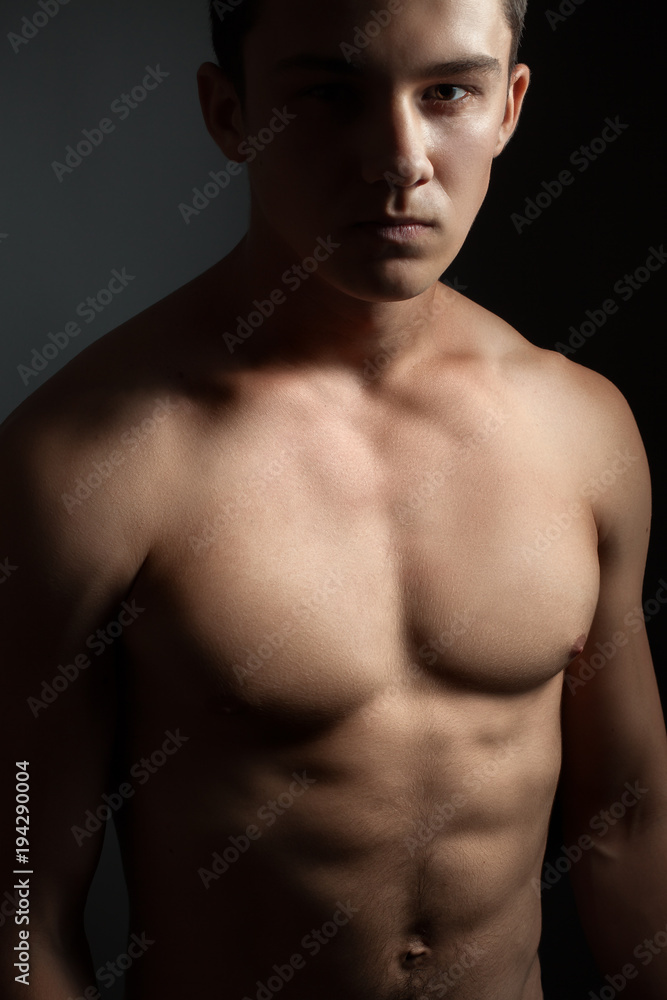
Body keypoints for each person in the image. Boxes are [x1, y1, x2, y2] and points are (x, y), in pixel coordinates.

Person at [1, 1, 666, 997]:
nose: (399, 160)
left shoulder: (584, 432)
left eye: (447, 92)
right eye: (327, 95)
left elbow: (624, 825)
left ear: (510, 106)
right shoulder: (82, 463)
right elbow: (19, 899)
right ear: (229, 114)